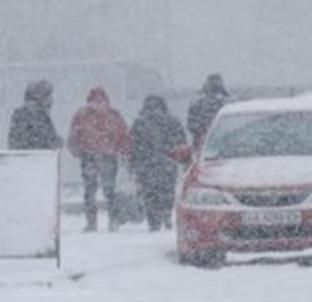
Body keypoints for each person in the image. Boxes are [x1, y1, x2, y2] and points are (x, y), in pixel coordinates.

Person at [68, 87, 132, 232]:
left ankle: (92, 223)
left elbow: (73, 136)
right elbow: (124, 135)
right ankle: (112, 220)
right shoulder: (114, 115)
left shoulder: (81, 115)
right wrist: (123, 152)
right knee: (109, 191)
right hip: (107, 157)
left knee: (90, 191)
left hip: (90, 156)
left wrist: (78, 151)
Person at [130, 95, 187, 232]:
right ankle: (166, 214)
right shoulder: (172, 121)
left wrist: (133, 162)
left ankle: (153, 220)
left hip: (146, 164)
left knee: (149, 192)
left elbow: (133, 145)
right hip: (167, 161)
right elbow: (180, 140)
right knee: (167, 190)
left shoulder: (140, 122)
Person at [7, 79, 63, 151]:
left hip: (36, 158)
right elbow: (19, 142)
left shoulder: (42, 116)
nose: (51, 100)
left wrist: (55, 142)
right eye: (48, 96)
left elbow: (49, 138)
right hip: (32, 159)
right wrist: (54, 142)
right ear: (39, 98)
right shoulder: (26, 115)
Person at [187, 73, 229, 150]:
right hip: (222, 142)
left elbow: (191, 125)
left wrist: (203, 132)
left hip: (202, 143)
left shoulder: (197, 101)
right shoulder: (227, 102)